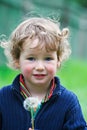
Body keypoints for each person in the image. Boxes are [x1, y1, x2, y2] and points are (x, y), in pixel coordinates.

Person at [0, 17, 87, 130]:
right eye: (31, 58)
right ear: (17, 60)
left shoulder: (68, 101)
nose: (40, 67)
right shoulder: (3, 98)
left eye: (48, 58)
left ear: (58, 61)